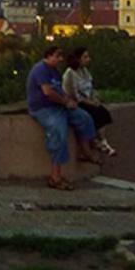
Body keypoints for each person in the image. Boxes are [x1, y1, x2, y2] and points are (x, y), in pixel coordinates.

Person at [27, 45, 97, 191]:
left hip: (58, 105)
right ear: (49, 56)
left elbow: (59, 90)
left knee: (84, 118)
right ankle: (55, 176)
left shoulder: (55, 72)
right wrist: (65, 102)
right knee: (58, 132)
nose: (60, 59)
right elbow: (48, 92)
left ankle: (85, 151)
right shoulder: (40, 69)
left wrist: (69, 101)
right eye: (57, 56)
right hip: (44, 109)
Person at [62, 47, 117, 157]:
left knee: (103, 113)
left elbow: (90, 88)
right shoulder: (70, 74)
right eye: (85, 57)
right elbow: (74, 94)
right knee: (93, 114)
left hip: (88, 100)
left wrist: (95, 98)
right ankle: (95, 142)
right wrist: (89, 102)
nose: (88, 59)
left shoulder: (85, 72)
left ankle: (102, 140)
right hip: (77, 103)